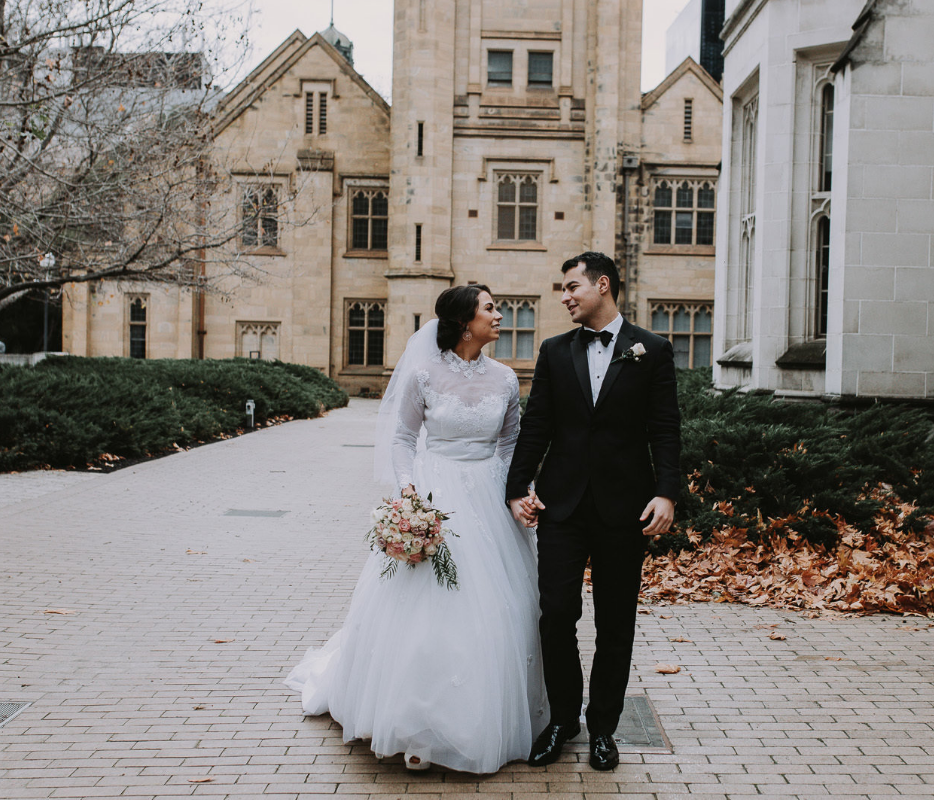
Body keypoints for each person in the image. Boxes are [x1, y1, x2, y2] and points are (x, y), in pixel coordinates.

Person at [285, 285, 546, 773]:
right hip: (435, 493)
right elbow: (403, 439)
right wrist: (410, 495)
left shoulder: (507, 379)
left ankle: (483, 718)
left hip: (489, 497)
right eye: (491, 308)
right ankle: (414, 723)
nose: (500, 314)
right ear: (465, 321)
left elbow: (511, 446)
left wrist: (519, 493)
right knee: (426, 612)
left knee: (500, 608)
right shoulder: (425, 375)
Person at [506, 252, 681, 772]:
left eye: (571, 286)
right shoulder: (556, 351)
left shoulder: (653, 350)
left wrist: (667, 492)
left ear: (602, 285)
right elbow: (536, 425)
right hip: (561, 505)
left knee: (616, 623)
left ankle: (604, 727)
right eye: (562, 288)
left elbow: (665, 428)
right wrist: (516, 488)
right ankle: (563, 720)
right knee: (556, 613)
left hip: (626, 508)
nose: (564, 297)